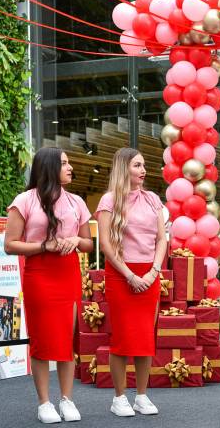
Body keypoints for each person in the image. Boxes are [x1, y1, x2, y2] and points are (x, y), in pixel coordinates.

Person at [4, 147, 93, 424]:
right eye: (64, 163)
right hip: (40, 274)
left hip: (68, 273)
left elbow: (89, 243)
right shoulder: (25, 200)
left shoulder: (76, 201)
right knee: (43, 339)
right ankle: (44, 403)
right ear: (49, 167)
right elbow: (10, 245)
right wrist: (44, 245)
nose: (70, 168)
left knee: (68, 339)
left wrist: (76, 241)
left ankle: (67, 399)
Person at [95, 148, 168, 418]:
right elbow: (105, 244)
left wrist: (154, 271)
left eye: (144, 165)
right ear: (124, 168)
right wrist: (130, 275)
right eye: (137, 165)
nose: (143, 170)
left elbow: (162, 239)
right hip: (120, 273)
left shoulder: (152, 200)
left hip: (150, 273)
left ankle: (141, 395)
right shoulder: (109, 200)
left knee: (145, 337)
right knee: (123, 338)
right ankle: (119, 397)